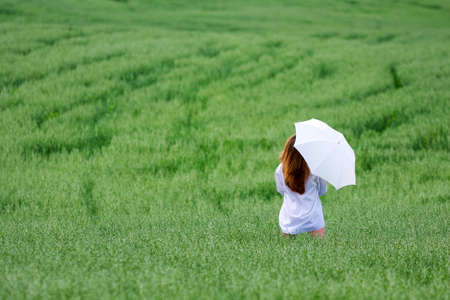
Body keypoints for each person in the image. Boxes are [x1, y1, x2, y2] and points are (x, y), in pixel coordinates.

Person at [275, 134, 327, 238]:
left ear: (287, 151)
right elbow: (322, 191)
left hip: (289, 219)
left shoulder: (280, 170)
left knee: (286, 250)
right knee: (319, 249)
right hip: (313, 218)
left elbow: (281, 190)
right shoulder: (315, 169)